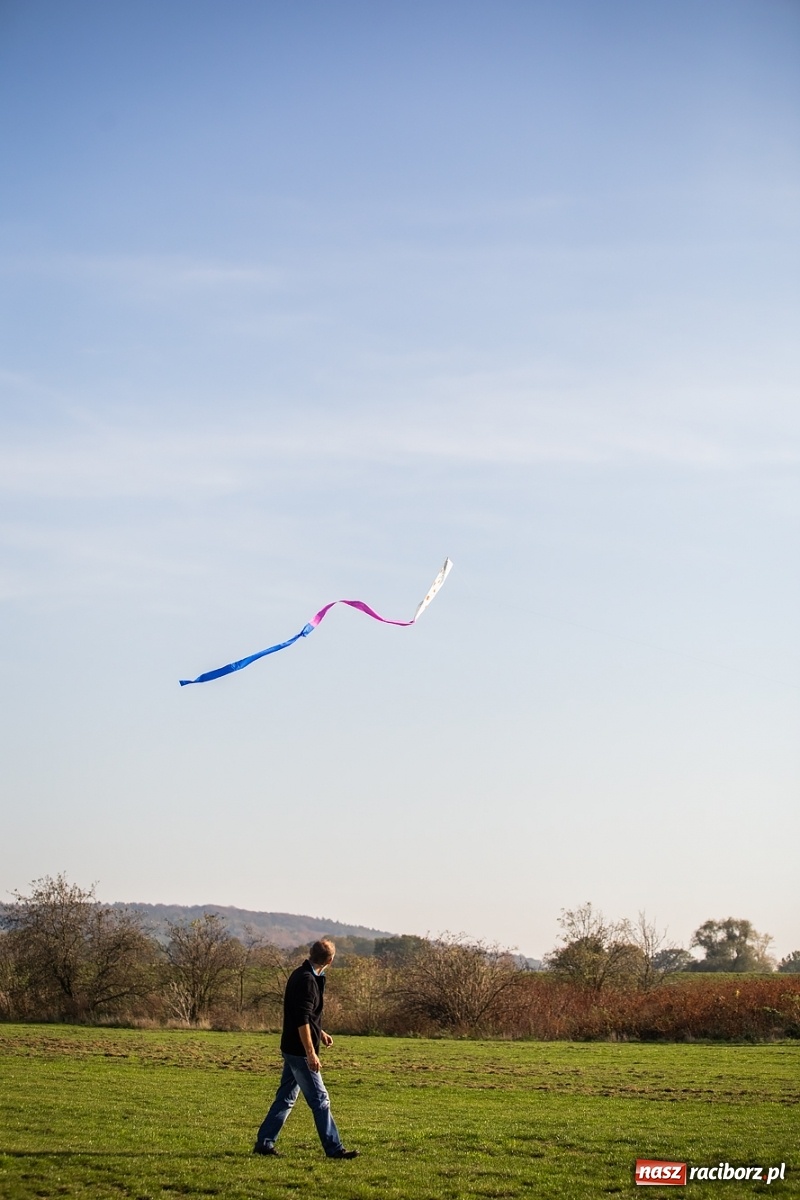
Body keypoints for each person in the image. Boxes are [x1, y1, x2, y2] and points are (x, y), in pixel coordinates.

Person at [253, 938, 358, 1160]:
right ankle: (334, 1149)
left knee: (286, 1098)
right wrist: (310, 1053)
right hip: (299, 1051)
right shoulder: (308, 980)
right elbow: (302, 1019)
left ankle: (264, 1143)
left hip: (290, 1048)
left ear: (311, 954)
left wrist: (320, 1032)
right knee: (320, 1100)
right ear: (330, 960)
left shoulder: (299, 974)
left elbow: (306, 1014)